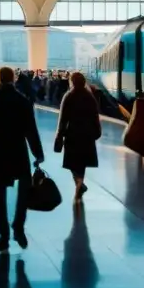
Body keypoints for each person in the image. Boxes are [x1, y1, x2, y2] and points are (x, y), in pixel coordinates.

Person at [0, 66, 45, 253]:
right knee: (23, 191)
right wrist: (38, 153)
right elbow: (31, 130)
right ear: (13, 79)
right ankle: (18, 226)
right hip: (18, 152)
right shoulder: (22, 101)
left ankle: (3, 235)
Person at [54, 72, 101, 202]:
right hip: (87, 134)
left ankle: (79, 184)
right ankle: (80, 183)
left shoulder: (68, 96)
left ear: (72, 82)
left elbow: (63, 119)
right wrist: (97, 131)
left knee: (73, 162)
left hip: (72, 134)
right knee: (82, 162)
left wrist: (59, 135)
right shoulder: (90, 97)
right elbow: (95, 116)